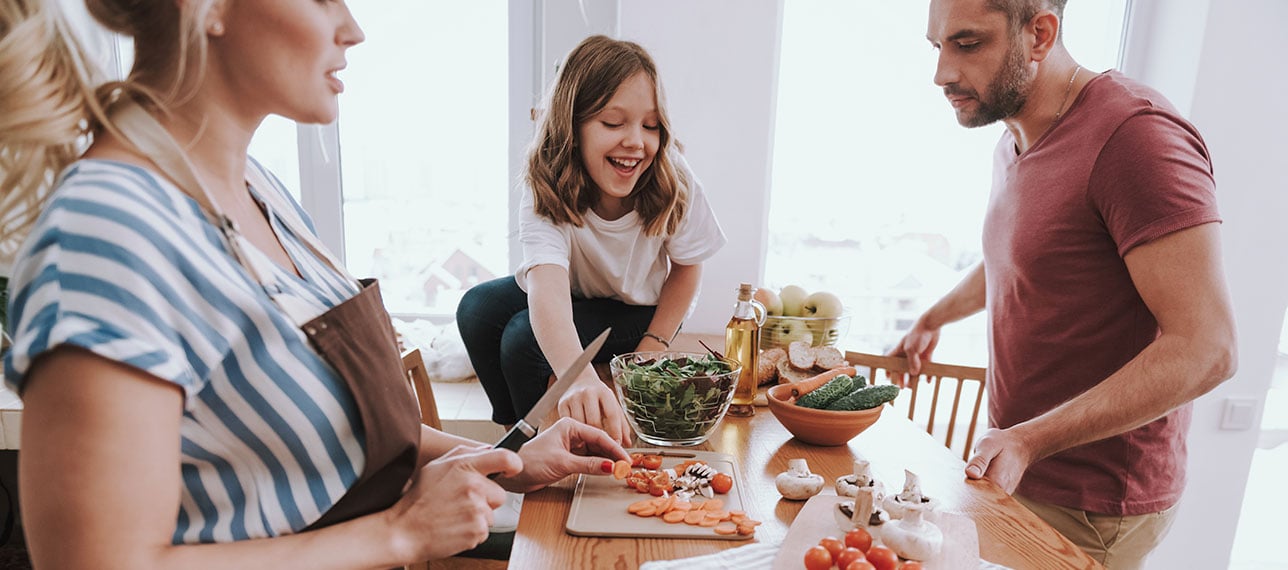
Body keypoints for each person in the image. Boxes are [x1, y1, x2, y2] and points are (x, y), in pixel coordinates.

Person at [0, 1, 627, 567]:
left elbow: (335, 431)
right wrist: (398, 534)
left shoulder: (257, 189)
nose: (353, 29)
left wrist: (509, 461)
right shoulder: (110, 235)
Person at [894, 0, 1238, 567]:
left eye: (968, 44)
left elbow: (1209, 349)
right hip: (1021, 469)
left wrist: (1028, 439)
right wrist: (934, 317)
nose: (943, 73)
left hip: (1093, 501)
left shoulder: (1136, 138)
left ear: (1039, 34)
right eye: (938, 47)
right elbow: (1026, 257)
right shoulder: (1014, 137)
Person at [457, 35, 727, 447]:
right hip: (577, 292)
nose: (636, 140)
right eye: (613, 123)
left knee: (521, 341)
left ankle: (538, 448)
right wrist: (579, 377)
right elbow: (546, 288)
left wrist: (652, 346)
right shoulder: (547, 179)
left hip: (639, 306)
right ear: (572, 125)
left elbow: (688, 267)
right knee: (477, 311)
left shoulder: (674, 177)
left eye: (650, 125)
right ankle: (518, 439)